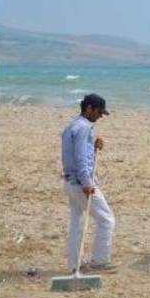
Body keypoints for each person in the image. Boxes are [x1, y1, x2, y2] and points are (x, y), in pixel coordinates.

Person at [62, 93, 116, 272]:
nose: (100, 116)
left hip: (70, 181)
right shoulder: (84, 128)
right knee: (106, 220)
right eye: (99, 112)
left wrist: (93, 146)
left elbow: (79, 153)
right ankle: (100, 262)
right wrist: (87, 183)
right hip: (80, 183)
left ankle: (74, 264)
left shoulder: (72, 126)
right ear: (89, 108)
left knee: (77, 224)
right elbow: (80, 159)